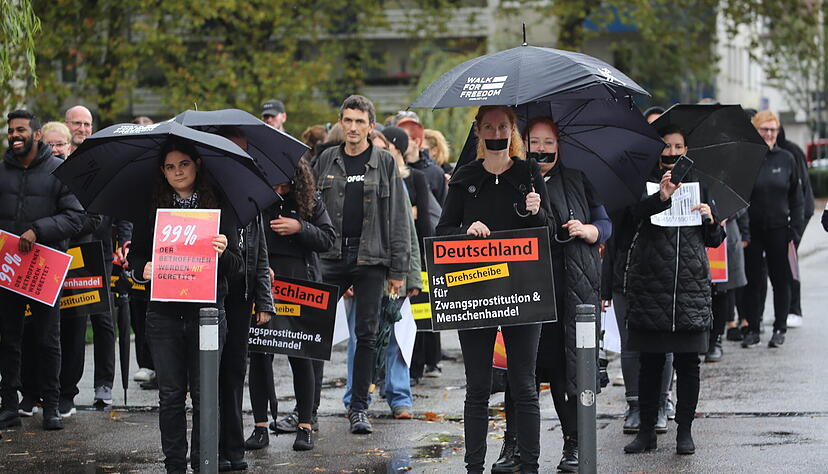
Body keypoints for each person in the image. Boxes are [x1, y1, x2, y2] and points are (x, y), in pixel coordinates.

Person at [493, 116, 612, 473]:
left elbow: (604, 222)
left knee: (565, 372)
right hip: (524, 292)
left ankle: (573, 443)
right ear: (522, 143)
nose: (541, 149)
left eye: (548, 142)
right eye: (534, 141)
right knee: (520, 373)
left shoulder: (577, 180)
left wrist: (590, 230)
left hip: (568, 290)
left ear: (559, 145)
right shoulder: (508, 180)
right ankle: (513, 446)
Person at [436, 105, 550, 473]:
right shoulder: (464, 176)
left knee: (524, 384)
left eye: (503, 126)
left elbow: (547, 233)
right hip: (476, 293)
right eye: (489, 126)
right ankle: (474, 468)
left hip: (522, 291)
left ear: (512, 130)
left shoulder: (529, 173)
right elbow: (442, 232)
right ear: (478, 131)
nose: (496, 132)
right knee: (478, 388)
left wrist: (537, 209)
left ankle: (530, 465)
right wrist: (465, 231)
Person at [127, 139, 241, 473]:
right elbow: (135, 257)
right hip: (163, 314)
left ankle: (203, 462)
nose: (177, 172)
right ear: (162, 171)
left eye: (183, 164)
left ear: (198, 164)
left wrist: (223, 250)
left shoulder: (220, 206)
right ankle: (174, 464)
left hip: (206, 316)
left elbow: (238, 267)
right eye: (169, 167)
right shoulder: (151, 208)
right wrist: (141, 269)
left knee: (206, 394)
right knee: (171, 395)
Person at [623, 125, 725, 455]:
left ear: (686, 149)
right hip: (652, 285)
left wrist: (712, 219)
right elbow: (630, 219)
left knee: (688, 363)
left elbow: (714, 240)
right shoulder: (642, 182)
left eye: (678, 146)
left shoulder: (701, 184)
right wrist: (660, 198)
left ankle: (685, 431)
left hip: (690, 287)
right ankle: (648, 432)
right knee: (650, 362)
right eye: (665, 146)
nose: (671, 152)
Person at [312, 94, 411, 435]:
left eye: (360, 122)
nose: (353, 128)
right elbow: (309, 209)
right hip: (329, 255)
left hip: (372, 257)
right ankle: (306, 410)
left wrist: (399, 271)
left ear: (371, 126)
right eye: (348, 120)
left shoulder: (383, 161)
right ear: (341, 122)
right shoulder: (325, 160)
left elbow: (398, 217)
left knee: (366, 334)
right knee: (314, 331)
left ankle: (358, 407)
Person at [0, 110, 84, 431]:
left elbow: (75, 217)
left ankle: (51, 407)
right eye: (10, 131)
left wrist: (38, 229)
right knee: (9, 339)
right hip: (8, 270)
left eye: (20, 130)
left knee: (48, 339)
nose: (14, 135)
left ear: (36, 135)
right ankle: (8, 406)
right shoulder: (2, 172)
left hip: (43, 270)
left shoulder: (60, 171)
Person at [245, 157, 335, 451]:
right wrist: (259, 268)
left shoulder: (309, 200)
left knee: (302, 356)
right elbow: (243, 238)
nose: (278, 185)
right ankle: (260, 427)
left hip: (301, 288)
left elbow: (327, 239)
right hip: (265, 284)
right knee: (260, 356)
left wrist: (300, 227)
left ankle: (305, 426)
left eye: (284, 180)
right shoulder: (255, 200)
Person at [216, 127, 275, 470]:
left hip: (241, 294)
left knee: (236, 369)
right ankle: (213, 445)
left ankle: (234, 448)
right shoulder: (208, 194)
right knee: (211, 371)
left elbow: (261, 255)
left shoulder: (251, 197)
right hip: (210, 295)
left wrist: (264, 302)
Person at [58, 105, 118, 415]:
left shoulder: (100, 161)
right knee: (73, 317)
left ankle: (104, 385)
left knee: (103, 317)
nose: (82, 128)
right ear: (66, 126)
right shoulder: (57, 161)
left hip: (101, 247)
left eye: (87, 124)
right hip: (68, 247)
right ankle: (64, 385)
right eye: (76, 123)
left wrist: (127, 235)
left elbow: (118, 201)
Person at [741, 110, 804, 348]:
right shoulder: (747, 159)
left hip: (780, 230)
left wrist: (795, 231)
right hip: (753, 230)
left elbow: (797, 199)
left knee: (781, 280)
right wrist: (744, 231)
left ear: (778, 132)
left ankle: (779, 327)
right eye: (764, 129)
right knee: (753, 281)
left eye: (772, 130)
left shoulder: (787, 159)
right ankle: (753, 328)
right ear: (756, 131)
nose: (768, 134)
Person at [776, 126, 813, 329]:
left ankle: (794, 309)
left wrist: (795, 223)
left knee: (789, 260)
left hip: (797, 213)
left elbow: (800, 189)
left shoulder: (791, 151)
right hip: (777, 216)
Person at [706, 209, 749, 362]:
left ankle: (716, 340)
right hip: (693, 232)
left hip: (724, 233)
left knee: (721, 289)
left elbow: (740, 204)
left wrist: (726, 214)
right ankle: (701, 338)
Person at [397, 118, 448, 205]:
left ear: (416, 142)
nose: (398, 142)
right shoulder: (393, 169)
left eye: (403, 138)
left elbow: (444, 209)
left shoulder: (435, 173)